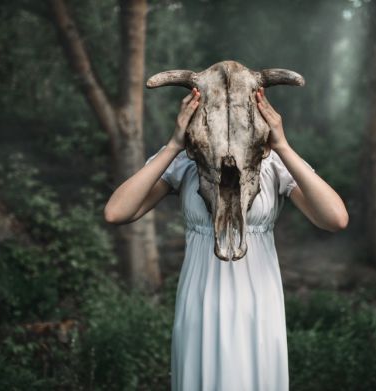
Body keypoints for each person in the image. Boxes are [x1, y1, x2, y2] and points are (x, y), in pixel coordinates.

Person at [104, 86, 349, 390]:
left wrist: (283, 146)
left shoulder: (272, 162)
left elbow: (335, 218)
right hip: (201, 299)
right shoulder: (187, 161)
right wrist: (172, 146)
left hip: (258, 302)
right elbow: (116, 212)